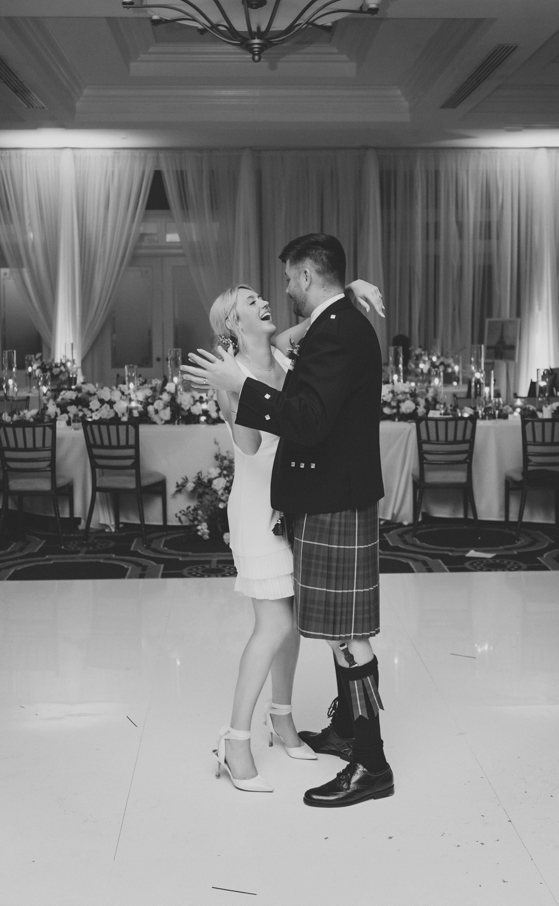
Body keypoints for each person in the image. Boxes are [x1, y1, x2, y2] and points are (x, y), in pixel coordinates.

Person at [186, 234, 391, 807]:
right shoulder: (315, 333)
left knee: (335, 629)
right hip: (277, 503)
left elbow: (309, 406)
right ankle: (271, 735)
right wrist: (234, 388)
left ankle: (364, 758)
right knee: (298, 626)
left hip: (319, 498)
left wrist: (348, 289)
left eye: (283, 282)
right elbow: (251, 444)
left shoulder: (318, 333)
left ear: (304, 276)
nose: (275, 296)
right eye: (252, 299)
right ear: (233, 322)